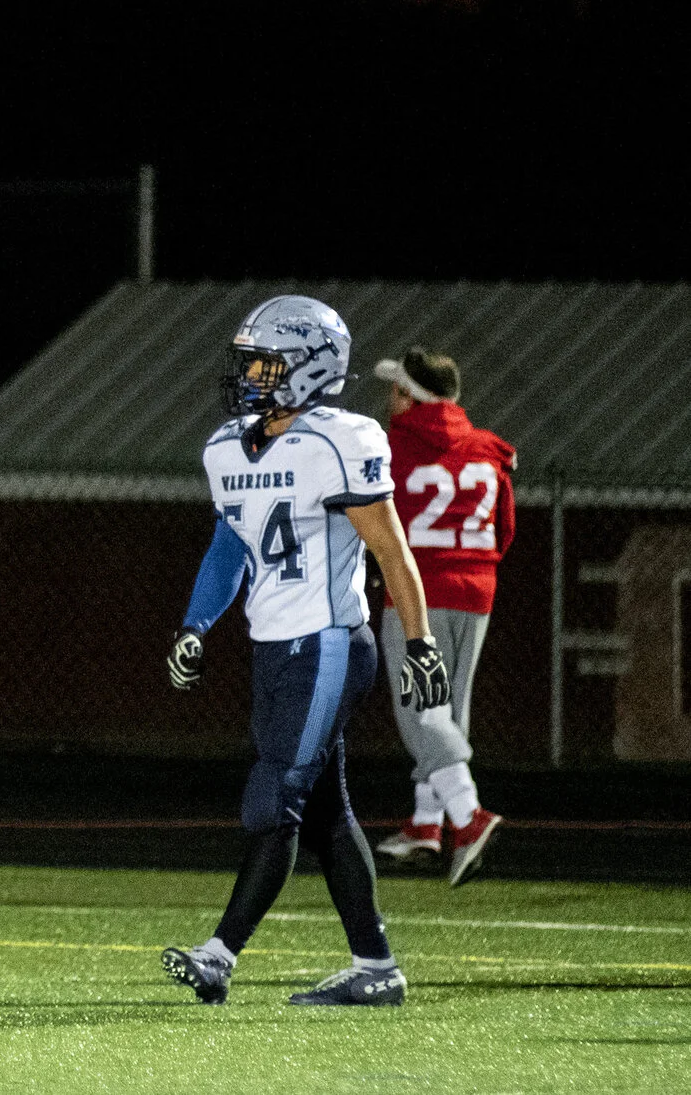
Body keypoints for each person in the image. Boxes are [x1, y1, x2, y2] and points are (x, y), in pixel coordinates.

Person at [161, 296, 451, 1008]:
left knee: (275, 796)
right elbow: (231, 544)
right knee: (325, 812)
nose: (251, 375)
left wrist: (420, 640)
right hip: (273, 647)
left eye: (266, 362)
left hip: (326, 643)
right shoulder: (227, 446)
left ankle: (218, 954)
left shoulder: (340, 439)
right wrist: (196, 622)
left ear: (309, 366)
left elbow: (389, 546)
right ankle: (376, 967)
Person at [370, 347, 511, 884]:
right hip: (477, 587)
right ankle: (428, 823)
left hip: (418, 591)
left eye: (396, 391)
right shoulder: (486, 447)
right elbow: (505, 526)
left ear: (411, 396)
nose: (390, 400)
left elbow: (373, 515)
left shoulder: (393, 446)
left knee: (421, 712)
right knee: (449, 706)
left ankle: (468, 817)